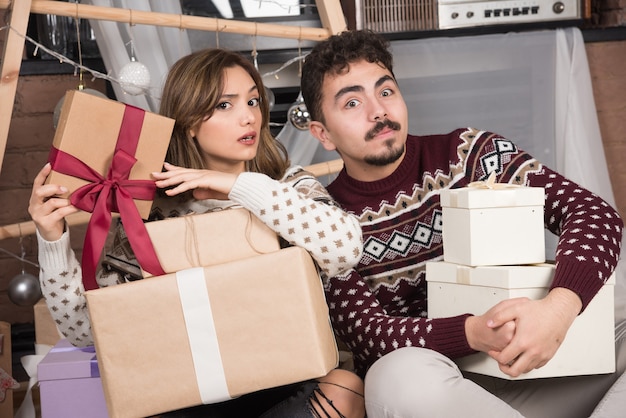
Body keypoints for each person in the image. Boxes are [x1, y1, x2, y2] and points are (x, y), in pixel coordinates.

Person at [300, 29, 626, 418]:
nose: (379, 111)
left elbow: (592, 212)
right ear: (323, 134)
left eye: (385, 92)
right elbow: (370, 336)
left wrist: (558, 309)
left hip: (544, 369)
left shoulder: (467, 154)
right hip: (443, 396)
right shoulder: (322, 220)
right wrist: (475, 331)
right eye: (352, 102)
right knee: (395, 374)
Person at [29, 48, 365, 418]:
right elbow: (86, 332)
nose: (248, 116)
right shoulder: (147, 210)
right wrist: (52, 240)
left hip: (282, 384)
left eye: (253, 101)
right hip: (182, 397)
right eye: (225, 105)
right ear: (188, 121)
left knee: (346, 389)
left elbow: (345, 248)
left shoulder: (285, 185)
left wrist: (238, 186)